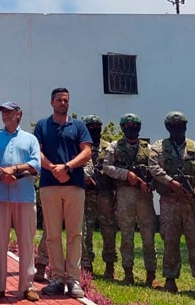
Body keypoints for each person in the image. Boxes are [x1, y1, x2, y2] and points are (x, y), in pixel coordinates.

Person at [34, 88, 92, 299]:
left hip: (74, 184)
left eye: (66, 100)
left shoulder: (78, 126)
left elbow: (87, 151)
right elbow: (37, 152)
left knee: (75, 234)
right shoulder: (42, 125)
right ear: (52, 102)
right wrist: (53, 169)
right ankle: (57, 279)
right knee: (53, 234)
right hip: (49, 184)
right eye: (59, 100)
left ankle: (73, 279)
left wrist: (66, 167)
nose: (63, 103)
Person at [0, 101, 41, 302]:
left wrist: (14, 170)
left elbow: (35, 164)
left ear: (18, 114)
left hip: (23, 196)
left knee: (26, 242)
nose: (5, 115)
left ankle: (27, 286)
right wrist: (2, 174)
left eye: (9, 112)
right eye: (3, 112)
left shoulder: (30, 139)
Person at [148, 111, 195, 295]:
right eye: (173, 126)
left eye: (180, 125)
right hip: (169, 201)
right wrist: (170, 182)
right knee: (170, 240)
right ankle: (170, 279)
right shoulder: (159, 147)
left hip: (190, 202)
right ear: (167, 127)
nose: (177, 129)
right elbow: (153, 167)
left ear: (185, 126)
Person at [103, 113, 157, 286]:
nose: (131, 128)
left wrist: (151, 184)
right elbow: (106, 167)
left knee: (148, 236)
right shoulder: (114, 146)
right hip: (124, 193)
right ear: (122, 128)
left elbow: (156, 170)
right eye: (127, 126)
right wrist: (126, 174)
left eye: (134, 125)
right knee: (127, 235)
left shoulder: (148, 148)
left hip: (144, 195)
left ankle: (151, 274)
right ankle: (128, 272)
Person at [80, 114, 117, 279]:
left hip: (105, 194)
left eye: (97, 127)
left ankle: (110, 265)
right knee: (85, 231)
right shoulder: (80, 147)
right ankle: (87, 264)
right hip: (86, 194)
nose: (95, 130)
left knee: (109, 230)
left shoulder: (108, 147)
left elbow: (115, 169)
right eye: (91, 127)